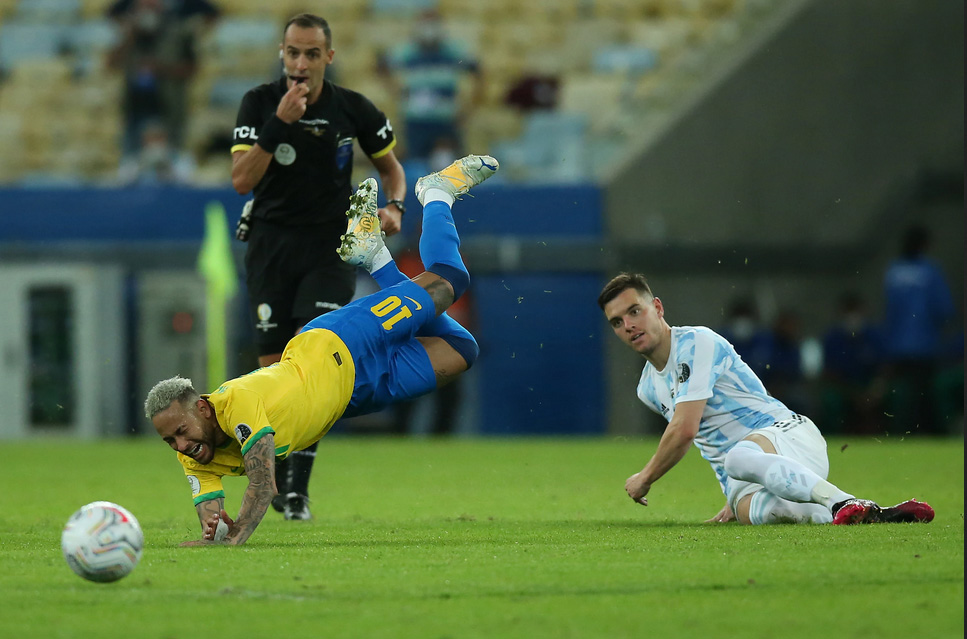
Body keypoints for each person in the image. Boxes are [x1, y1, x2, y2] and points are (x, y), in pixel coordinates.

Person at [144, 155, 498, 546]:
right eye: (169, 442)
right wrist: (212, 532)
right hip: (349, 392)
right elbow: (209, 509)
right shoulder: (194, 454)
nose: (180, 445)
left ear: (203, 408)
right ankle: (376, 258)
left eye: (180, 432)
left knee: (449, 280)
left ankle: (436, 192)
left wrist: (238, 532)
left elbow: (263, 484)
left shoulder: (237, 403)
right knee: (463, 348)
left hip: (337, 342)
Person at [230, 13, 407, 520]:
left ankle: (296, 492)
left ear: (329, 56)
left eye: (311, 54)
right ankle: (279, 481)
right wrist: (279, 123)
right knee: (272, 372)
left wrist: (394, 207)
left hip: (330, 248)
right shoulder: (259, 104)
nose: (301, 63)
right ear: (281, 53)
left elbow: (392, 170)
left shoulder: (353, 109)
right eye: (292, 53)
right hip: (270, 246)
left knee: (309, 362)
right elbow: (241, 180)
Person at [598, 272, 935, 526]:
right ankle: (875, 514)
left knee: (737, 457)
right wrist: (734, 500)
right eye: (617, 322)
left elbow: (685, 431)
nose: (628, 325)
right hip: (750, 475)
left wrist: (645, 478)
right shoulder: (647, 389)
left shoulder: (697, 342)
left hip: (787, 434)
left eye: (635, 311)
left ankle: (842, 500)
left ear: (656, 308)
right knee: (764, 514)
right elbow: (707, 439)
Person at [107, 0, 219, 181]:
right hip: (136, 108)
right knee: (131, 167)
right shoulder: (129, 33)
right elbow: (111, 63)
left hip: (170, 106)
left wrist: (161, 69)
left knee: (173, 164)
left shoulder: (179, 30)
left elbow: (193, 68)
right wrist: (130, 34)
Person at [378, 9, 484, 162]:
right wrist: (396, 90)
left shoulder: (453, 51)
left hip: (446, 121)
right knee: (417, 166)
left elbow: (478, 72)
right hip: (415, 121)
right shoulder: (407, 51)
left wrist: (470, 107)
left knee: (449, 169)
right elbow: (381, 66)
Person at [880, 225, 956, 435]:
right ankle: (930, 432)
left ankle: (900, 431)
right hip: (924, 345)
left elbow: (889, 310)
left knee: (903, 392)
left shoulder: (894, 271)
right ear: (924, 245)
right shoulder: (929, 270)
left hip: (897, 346)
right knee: (926, 393)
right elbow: (943, 308)